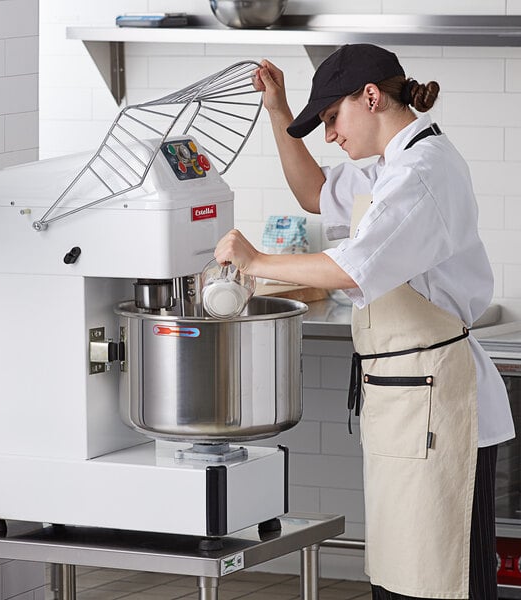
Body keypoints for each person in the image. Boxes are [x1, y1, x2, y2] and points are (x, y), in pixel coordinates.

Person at [213, 44, 515, 600]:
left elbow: (352, 268)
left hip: (440, 408)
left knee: (442, 584)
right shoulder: (389, 166)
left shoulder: (422, 173)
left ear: (370, 96)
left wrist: (256, 262)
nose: (329, 135)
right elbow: (312, 193)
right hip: (408, 402)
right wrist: (280, 112)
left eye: (331, 118)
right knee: (403, 582)